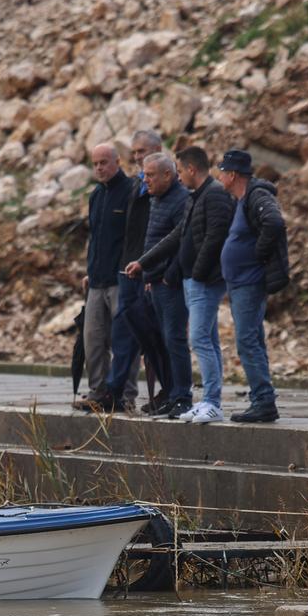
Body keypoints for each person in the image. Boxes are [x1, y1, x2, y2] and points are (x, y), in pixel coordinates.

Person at [128, 145, 233, 423]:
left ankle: (200, 399)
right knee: (197, 338)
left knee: (193, 338)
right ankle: (194, 398)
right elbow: (177, 237)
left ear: (188, 170)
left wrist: (189, 273)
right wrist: (145, 264)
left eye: (150, 174)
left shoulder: (209, 196)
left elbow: (212, 239)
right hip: (181, 279)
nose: (145, 180)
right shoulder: (193, 198)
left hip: (195, 281)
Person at [216, 149, 288, 423]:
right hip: (239, 283)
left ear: (232, 175)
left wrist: (257, 255)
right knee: (253, 340)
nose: (219, 175)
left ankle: (263, 401)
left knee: (247, 342)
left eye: (222, 171)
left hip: (249, 282)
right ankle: (262, 399)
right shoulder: (241, 200)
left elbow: (274, 222)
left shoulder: (257, 196)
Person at [104, 130, 168, 413]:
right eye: (136, 153)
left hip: (152, 273)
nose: (138, 157)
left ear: (157, 150)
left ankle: (167, 392)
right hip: (129, 270)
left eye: (142, 151)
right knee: (123, 335)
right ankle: (114, 391)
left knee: (157, 339)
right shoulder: (135, 187)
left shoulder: (166, 189)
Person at [129, 151, 192, 417]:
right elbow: (154, 238)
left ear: (169, 174)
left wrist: (168, 275)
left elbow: (183, 242)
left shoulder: (181, 200)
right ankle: (170, 392)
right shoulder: (156, 198)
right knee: (159, 341)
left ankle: (182, 396)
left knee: (174, 339)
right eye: (144, 175)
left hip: (170, 284)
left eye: (151, 175)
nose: (146, 181)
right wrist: (148, 276)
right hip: (153, 281)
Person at [75, 142, 134, 413]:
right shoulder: (96, 196)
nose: (99, 167)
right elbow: (95, 238)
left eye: (104, 162)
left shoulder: (131, 191)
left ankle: (125, 394)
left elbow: (133, 239)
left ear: (117, 162)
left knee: (124, 340)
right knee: (93, 340)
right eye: (95, 163)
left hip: (120, 280)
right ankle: (97, 392)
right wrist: (89, 270)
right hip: (97, 281)